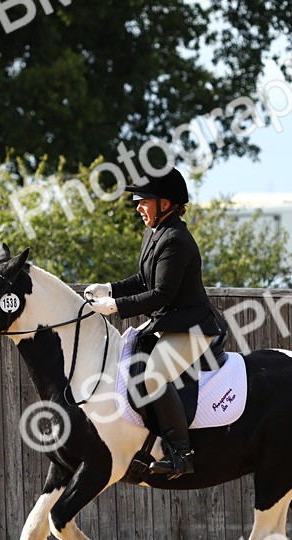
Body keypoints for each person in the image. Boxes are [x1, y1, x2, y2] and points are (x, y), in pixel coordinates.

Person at [83, 167, 226, 478]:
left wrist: (115, 306)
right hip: (167, 324)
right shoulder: (155, 233)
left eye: (143, 201)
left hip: (191, 329)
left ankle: (182, 454)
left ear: (166, 203)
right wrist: (110, 288)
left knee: (153, 376)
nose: (138, 207)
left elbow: (161, 294)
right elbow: (142, 279)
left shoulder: (177, 240)